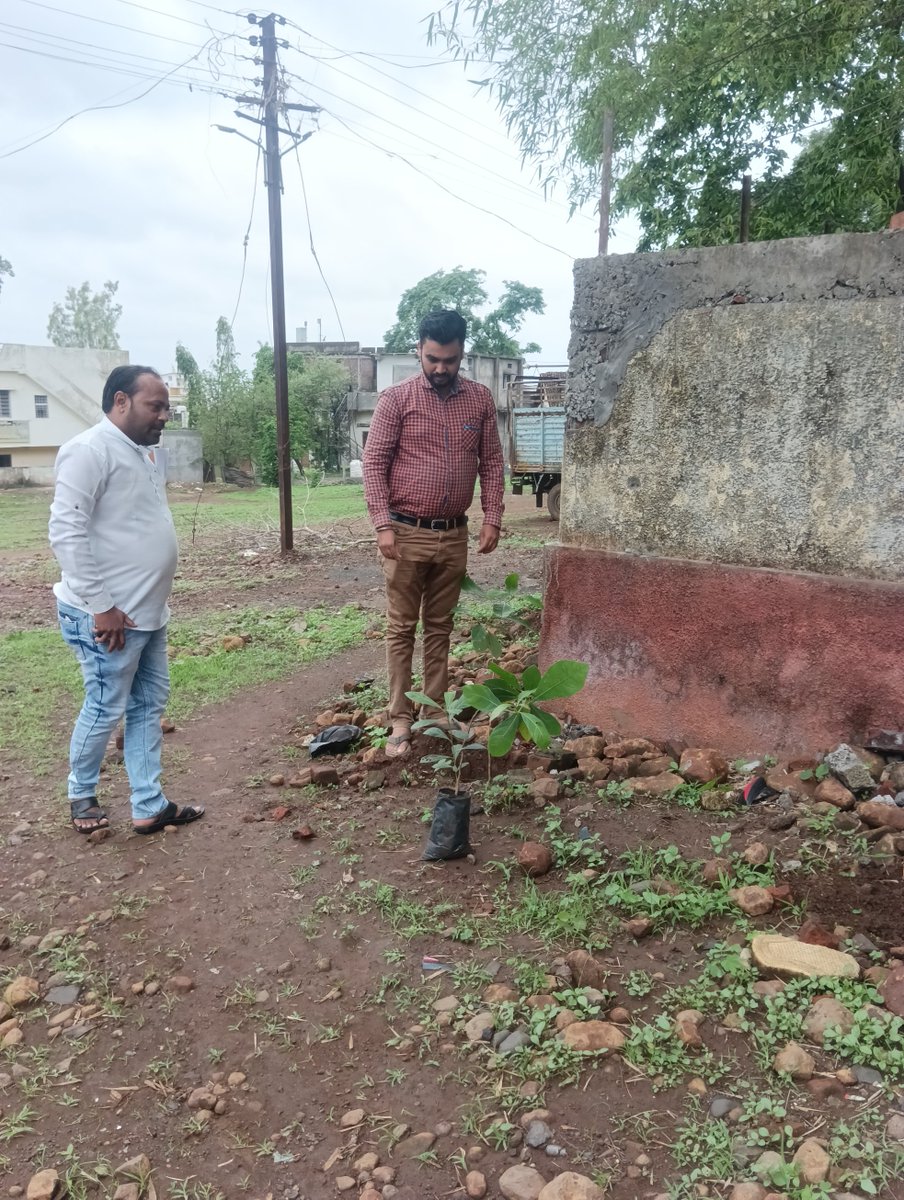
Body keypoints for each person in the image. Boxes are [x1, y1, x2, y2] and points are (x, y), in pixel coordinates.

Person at [49, 365, 204, 835]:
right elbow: (66, 531)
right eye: (154, 407)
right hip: (107, 617)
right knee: (104, 705)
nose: (163, 416)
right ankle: (81, 796)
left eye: (166, 408)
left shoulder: (144, 453)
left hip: (148, 613)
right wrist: (101, 606)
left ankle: (148, 804)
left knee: (147, 705)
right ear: (121, 401)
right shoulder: (88, 451)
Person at [362, 309, 505, 759]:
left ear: (463, 353)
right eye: (432, 359)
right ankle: (401, 718)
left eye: (450, 360)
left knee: (440, 627)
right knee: (402, 627)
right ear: (418, 350)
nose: (441, 368)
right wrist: (382, 524)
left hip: (454, 534)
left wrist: (493, 516)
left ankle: (436, 713)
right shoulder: (396, 400)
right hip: (405, 532)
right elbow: (374, 464)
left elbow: (493, 463)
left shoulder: (479, 400)